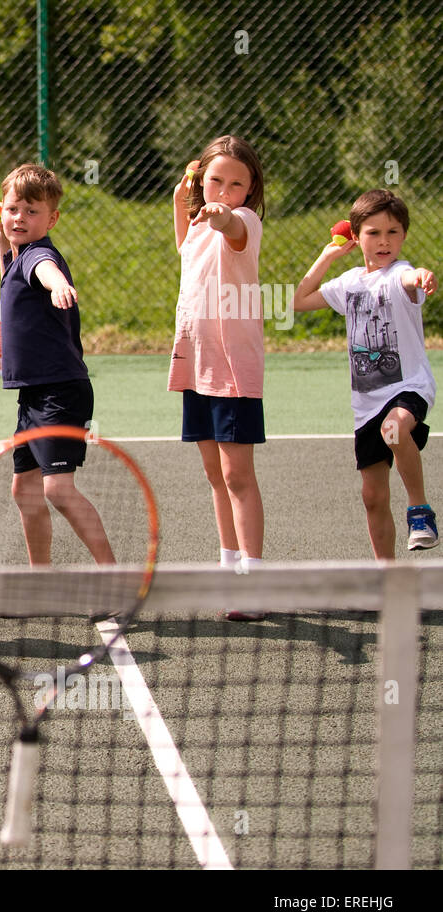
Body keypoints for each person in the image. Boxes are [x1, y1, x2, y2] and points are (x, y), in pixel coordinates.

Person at [292, 189, 438, 557]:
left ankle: (420, 512)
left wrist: (422, 276)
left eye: (393, 232)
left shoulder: (400, 275)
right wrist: (328, 256)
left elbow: (411, 278)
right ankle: (386, 578)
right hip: (366, 402)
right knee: (372, 497)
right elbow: (299, 300)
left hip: (408, 387)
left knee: (394, 428)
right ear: (356, 237)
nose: (384, 241)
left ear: (403, 236)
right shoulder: (350, 283)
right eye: (373, 233)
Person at [0, 164, 115, 572]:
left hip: (59, 391)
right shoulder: (17, 257)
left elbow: (43, 270)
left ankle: (117, 577)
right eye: (12, 209)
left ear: (52, 218)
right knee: (24, 489)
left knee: (58, 490)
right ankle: (40, 580)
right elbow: (13, 273)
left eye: (30, 211)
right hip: (36, 394)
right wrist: (3, 243)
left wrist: (58, 283)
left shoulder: (39, 256)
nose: (18, 218)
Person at [167, 136, 267, 617]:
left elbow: (228, 223)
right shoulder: (195, 228)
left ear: (249, 191)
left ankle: (253, 578)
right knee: (214, 474)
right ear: (201, 180)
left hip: (232, 369)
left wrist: (219, 212)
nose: (224, 191)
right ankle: (229, 569)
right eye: (215, 181)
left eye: (236, 184)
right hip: (195, 365)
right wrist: (185, 193)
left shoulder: (243, 221)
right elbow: (184, 238)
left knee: (237, 476)